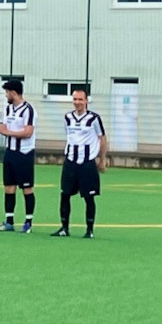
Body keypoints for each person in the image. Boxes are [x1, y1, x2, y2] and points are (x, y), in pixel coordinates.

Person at [51, 88, 107, 238]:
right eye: (75, 99)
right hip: (70, 162)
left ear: (86, 101)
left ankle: (89, 230)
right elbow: (69, 136)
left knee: (89, 197)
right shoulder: (67, 117)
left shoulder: (94, 118)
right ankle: (64, 228)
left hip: (87, 163)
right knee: (65, 195)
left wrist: (102, 160)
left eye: (80, 99)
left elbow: (102, 138)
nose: (77, 102)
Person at [0, 79, 37, 233]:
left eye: (7, 92)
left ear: (14, 93)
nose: (6, 95)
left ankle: (28, 222)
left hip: (24, 154)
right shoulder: (9, 109)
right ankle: (9, 221)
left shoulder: (29, 110)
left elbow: (28, 132)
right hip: (10, 153)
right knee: (9, 187)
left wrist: (6, 132)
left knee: (27, 188)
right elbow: (5, 126)